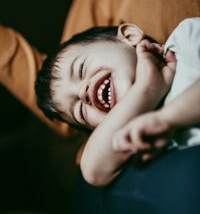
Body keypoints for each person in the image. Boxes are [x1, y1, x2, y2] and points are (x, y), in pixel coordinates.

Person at [35, 17, 200, 186]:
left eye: (81, 69)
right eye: (80, 112)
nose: (82, 93)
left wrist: (167, 119)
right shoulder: (135, 139)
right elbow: (93, 170)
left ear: (129, 36)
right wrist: (147, 89)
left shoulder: (184, 41)